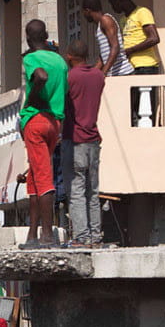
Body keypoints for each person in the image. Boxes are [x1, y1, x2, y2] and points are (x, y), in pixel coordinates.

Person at [18, 19, 68, 249]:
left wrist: (35, 95)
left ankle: (47, 235)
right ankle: (32, 235)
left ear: (28, 39)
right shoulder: (60, 60)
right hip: (54, 122)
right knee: (35, 178)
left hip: (36, 119)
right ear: (46, 35)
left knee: (44, 179)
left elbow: (40, 76)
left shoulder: (30, 58)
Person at [64, 39, 105, 248]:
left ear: (70, 56)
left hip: (74, 139)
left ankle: (81, 236)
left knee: (76, 190)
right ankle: (95, 237)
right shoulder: (98, 77)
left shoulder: (69, 77)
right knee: (93, 190)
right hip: (93, 139)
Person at [81, 0, 133, 77]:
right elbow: (104, 56)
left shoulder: (105, 20)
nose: (83, 15)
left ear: (88, 11)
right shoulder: (99, 26)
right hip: (115, 75)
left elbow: (115, 47)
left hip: (123, 74)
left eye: (83, 12)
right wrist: (92, 75)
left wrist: (103, 73)